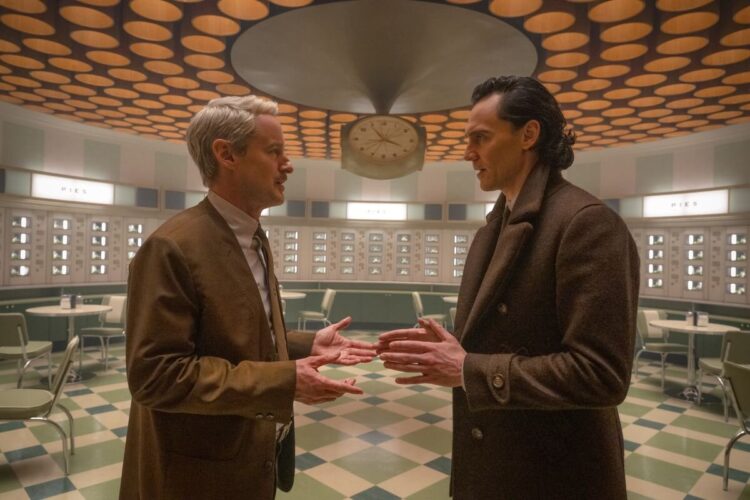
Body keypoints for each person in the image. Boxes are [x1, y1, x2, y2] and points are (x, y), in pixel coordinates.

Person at [378, 76, 639, 499]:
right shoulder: (493, 229)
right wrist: (455, 348)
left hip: (552, 478)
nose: (468, 152)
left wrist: (468, 369)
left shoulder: (586, 223)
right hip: (498, 469)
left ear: (528, 135)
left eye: (481, 138)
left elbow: (601, 374)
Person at [120, 95, 376, 500]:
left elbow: (231, 334)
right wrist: (286, 380)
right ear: (227, 155)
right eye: (274, 151)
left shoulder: (253, 238)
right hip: (197, 477)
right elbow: (157, 376)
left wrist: (306, 344)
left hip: (249, 462)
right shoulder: (171, 247)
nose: (287, 165)